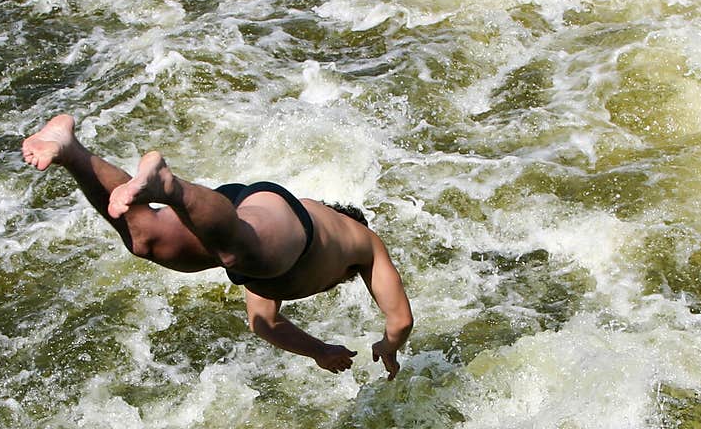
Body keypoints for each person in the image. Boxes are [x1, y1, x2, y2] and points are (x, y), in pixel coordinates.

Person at [21, 114, 413, 380]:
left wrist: (319, 350)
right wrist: (388, 346)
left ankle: (70, 150)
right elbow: (400, 320)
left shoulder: (273, 272)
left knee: (146, 238)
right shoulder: (364, 243)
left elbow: (265, 322)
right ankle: (169, 186)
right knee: (243, 252)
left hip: (235, 216)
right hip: (280, 218)